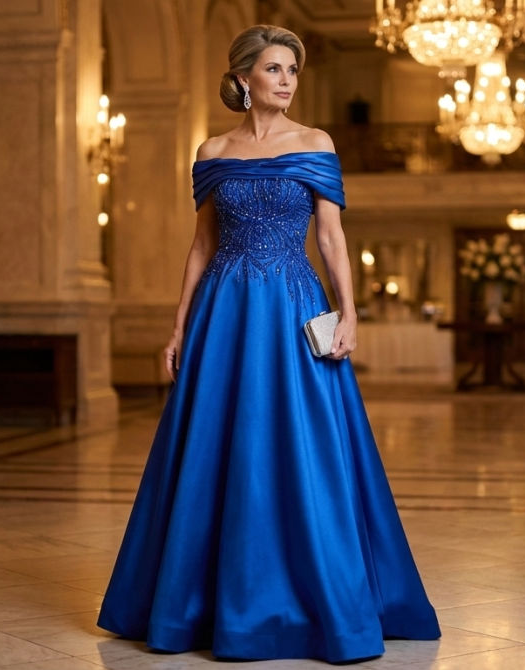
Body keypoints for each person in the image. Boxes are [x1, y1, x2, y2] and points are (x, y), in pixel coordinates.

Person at [97, 25, 440, 663]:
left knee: (303, 445)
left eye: (292, 72)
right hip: (223, 312)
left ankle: (315, 596)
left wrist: (350, 311)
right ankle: (201, 600)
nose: (286, 81)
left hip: (292, 306)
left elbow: (333, 239)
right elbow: (201, 245)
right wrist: (177, 327)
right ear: (245, 77)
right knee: (214, 448)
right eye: (276, 69)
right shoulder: (211, 149)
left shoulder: (316, 143)